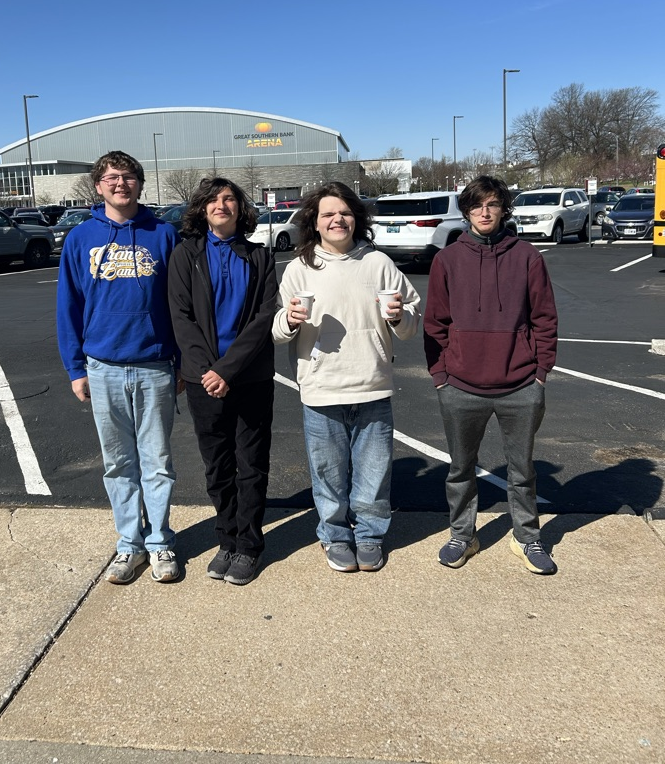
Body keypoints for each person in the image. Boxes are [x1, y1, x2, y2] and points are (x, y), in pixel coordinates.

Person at [273, 182, 420, 573]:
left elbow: (410, 324)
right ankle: (335, 535)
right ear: (315, 223)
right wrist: (289, 320)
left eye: (345, 212)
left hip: (372, 382)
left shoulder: (378, 263)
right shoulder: (299, 269)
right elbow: (276, 330)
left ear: (356, 218)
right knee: (328, 473)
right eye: (328, 214)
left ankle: (370, 534)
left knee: (374, 472)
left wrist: (398, 316)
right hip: (321, 388)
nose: (338, 219)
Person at [57, 151, 182, 585]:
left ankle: (160, 541)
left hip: (154, 366)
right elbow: (68, 308)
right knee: (118, 464)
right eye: (111, 177)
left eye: (128, 176)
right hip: (103, 367)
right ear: (98, 185)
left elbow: (181, 306)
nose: (120, 184)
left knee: (158, 462)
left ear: (140, 184)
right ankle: (129, 545)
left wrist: (180, 363)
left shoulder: (164, 234)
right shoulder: (80, 238)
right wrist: (76, 369)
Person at [423, 175, 559, 575]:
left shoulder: (527, 257)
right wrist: (441, 376)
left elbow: (545, 320)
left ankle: (528, 538)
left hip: (520, 385)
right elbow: (435, 324)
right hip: (461, 387)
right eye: (477, 205)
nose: (485, 212)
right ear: (467, 211)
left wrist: (540, 372)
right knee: (460, 469)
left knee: (522, 471)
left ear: (504, 210)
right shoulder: (447, 260)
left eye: (493, 204)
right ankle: (463, 535)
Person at [168, 177, 276, 586]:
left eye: (229, 198)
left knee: (251, 464)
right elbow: (181, 318)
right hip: (203, 380)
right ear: (202, 208)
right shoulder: (186, 255)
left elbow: (264, 318)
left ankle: (249, 547)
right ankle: (226, 540)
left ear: (240, 208)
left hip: (249, 377)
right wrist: (206, 371)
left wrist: (227, 370)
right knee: (218, 466)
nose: (221, 204)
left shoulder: (260, 257)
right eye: (213, 199)